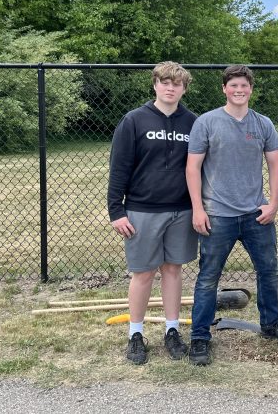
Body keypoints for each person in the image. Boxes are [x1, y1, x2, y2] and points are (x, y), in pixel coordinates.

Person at [186, 65, 278, 366]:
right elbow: (192, 167)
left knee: (268, 271)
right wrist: (198, 208)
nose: (239, 90)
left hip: (255, 214)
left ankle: (271, 324)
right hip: (217, 215)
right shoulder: (207, 122)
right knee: (208, 278)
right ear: (224, 88)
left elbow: (275, 164)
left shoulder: (263, 124)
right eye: (233, 85)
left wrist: (273, 204)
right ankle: (199, 337)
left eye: (244, 86)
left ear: (251, 89)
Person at [107, 61, 198, 365]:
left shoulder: (193, 123)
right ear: (155, 84)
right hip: (142, 210)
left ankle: (172, 330)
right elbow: (119, 168)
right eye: (165, 82)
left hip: (181, 210)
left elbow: (200, 168)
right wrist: (116, 210)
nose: (170, 88)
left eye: (177, 83)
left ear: (184, 88)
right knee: (143, 273)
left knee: (173, 269)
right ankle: (135, 334)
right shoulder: (134, 120)